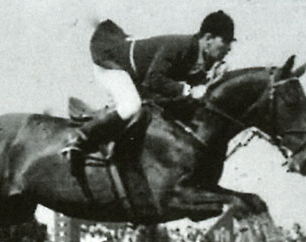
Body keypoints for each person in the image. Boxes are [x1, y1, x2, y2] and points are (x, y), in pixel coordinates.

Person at [62, 10, 235, 173]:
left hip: (135, 76)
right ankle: (80, 137)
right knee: (131, 106)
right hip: (110, 63)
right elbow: (154, 80)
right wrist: (187, 90)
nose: (229, 48)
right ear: (208, 38)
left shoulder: (201, 60)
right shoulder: (179, 46)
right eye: (225, 41)